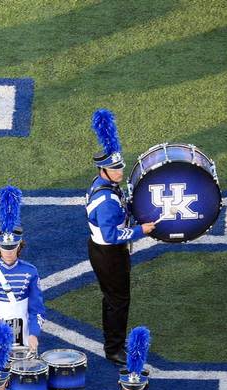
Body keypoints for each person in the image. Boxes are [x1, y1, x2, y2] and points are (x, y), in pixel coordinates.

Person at [85, 109, 156, 365]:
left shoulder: (106, 185)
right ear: (103, 170)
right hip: (109, 253)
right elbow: (111, 234)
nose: (120, 172)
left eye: (120, 166)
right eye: (115, 169)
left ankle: (112, 341)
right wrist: (141, 231)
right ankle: (114, 349)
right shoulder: (105, 198)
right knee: (118, 301)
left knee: (113, 298)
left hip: (107, 251)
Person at [0, 184, 46, 353]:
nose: (8, 252)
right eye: (4, 248)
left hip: (25, 331)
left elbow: (37, 309)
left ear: (19, 246)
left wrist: (34, 334)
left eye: (12, 248)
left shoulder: (30, 272)